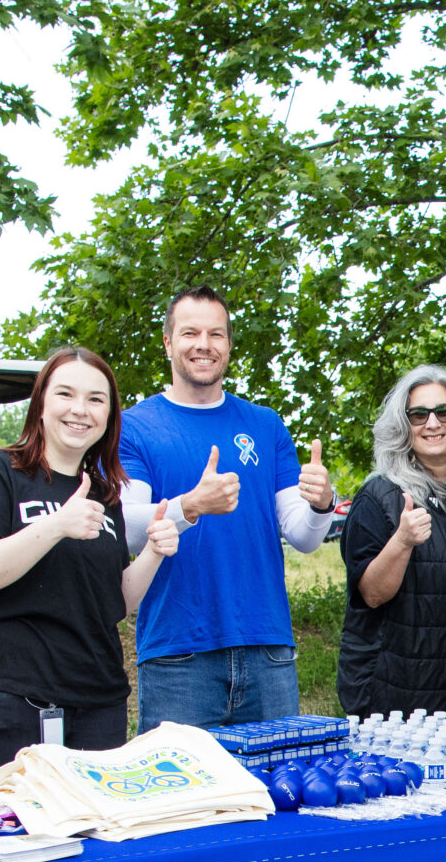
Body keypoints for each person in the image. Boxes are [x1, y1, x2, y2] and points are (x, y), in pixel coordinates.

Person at [0, 346, 181, 773]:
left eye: (96, 399)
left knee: (94, 831)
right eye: (65, 394)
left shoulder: (103, 492)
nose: (80, 410)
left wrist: (153, 552)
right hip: (14, 699)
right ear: (41, 404)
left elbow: (116, 603)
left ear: (110, 416)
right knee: (21, 830)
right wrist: (57, 525)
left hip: (99, 703)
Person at [117, 287, 336, 728]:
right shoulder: (134, 427)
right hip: (178, 654)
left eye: (216, 334)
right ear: (167, 342)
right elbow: (127, 528)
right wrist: (191, 505)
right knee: (184, 795)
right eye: (190, 332)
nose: (204, 344)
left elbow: (303, 536)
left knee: (276, 794)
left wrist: (321, 504)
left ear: (229, 345)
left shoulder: (265, 424)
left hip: (267, 649)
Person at [338, 365, 446, 718]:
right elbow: (372, 595)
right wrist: (403, 541)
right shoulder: (380, 496)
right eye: (418, 415)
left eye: (444, 411)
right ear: (402, 426)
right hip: (411, 691)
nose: (433, 423)